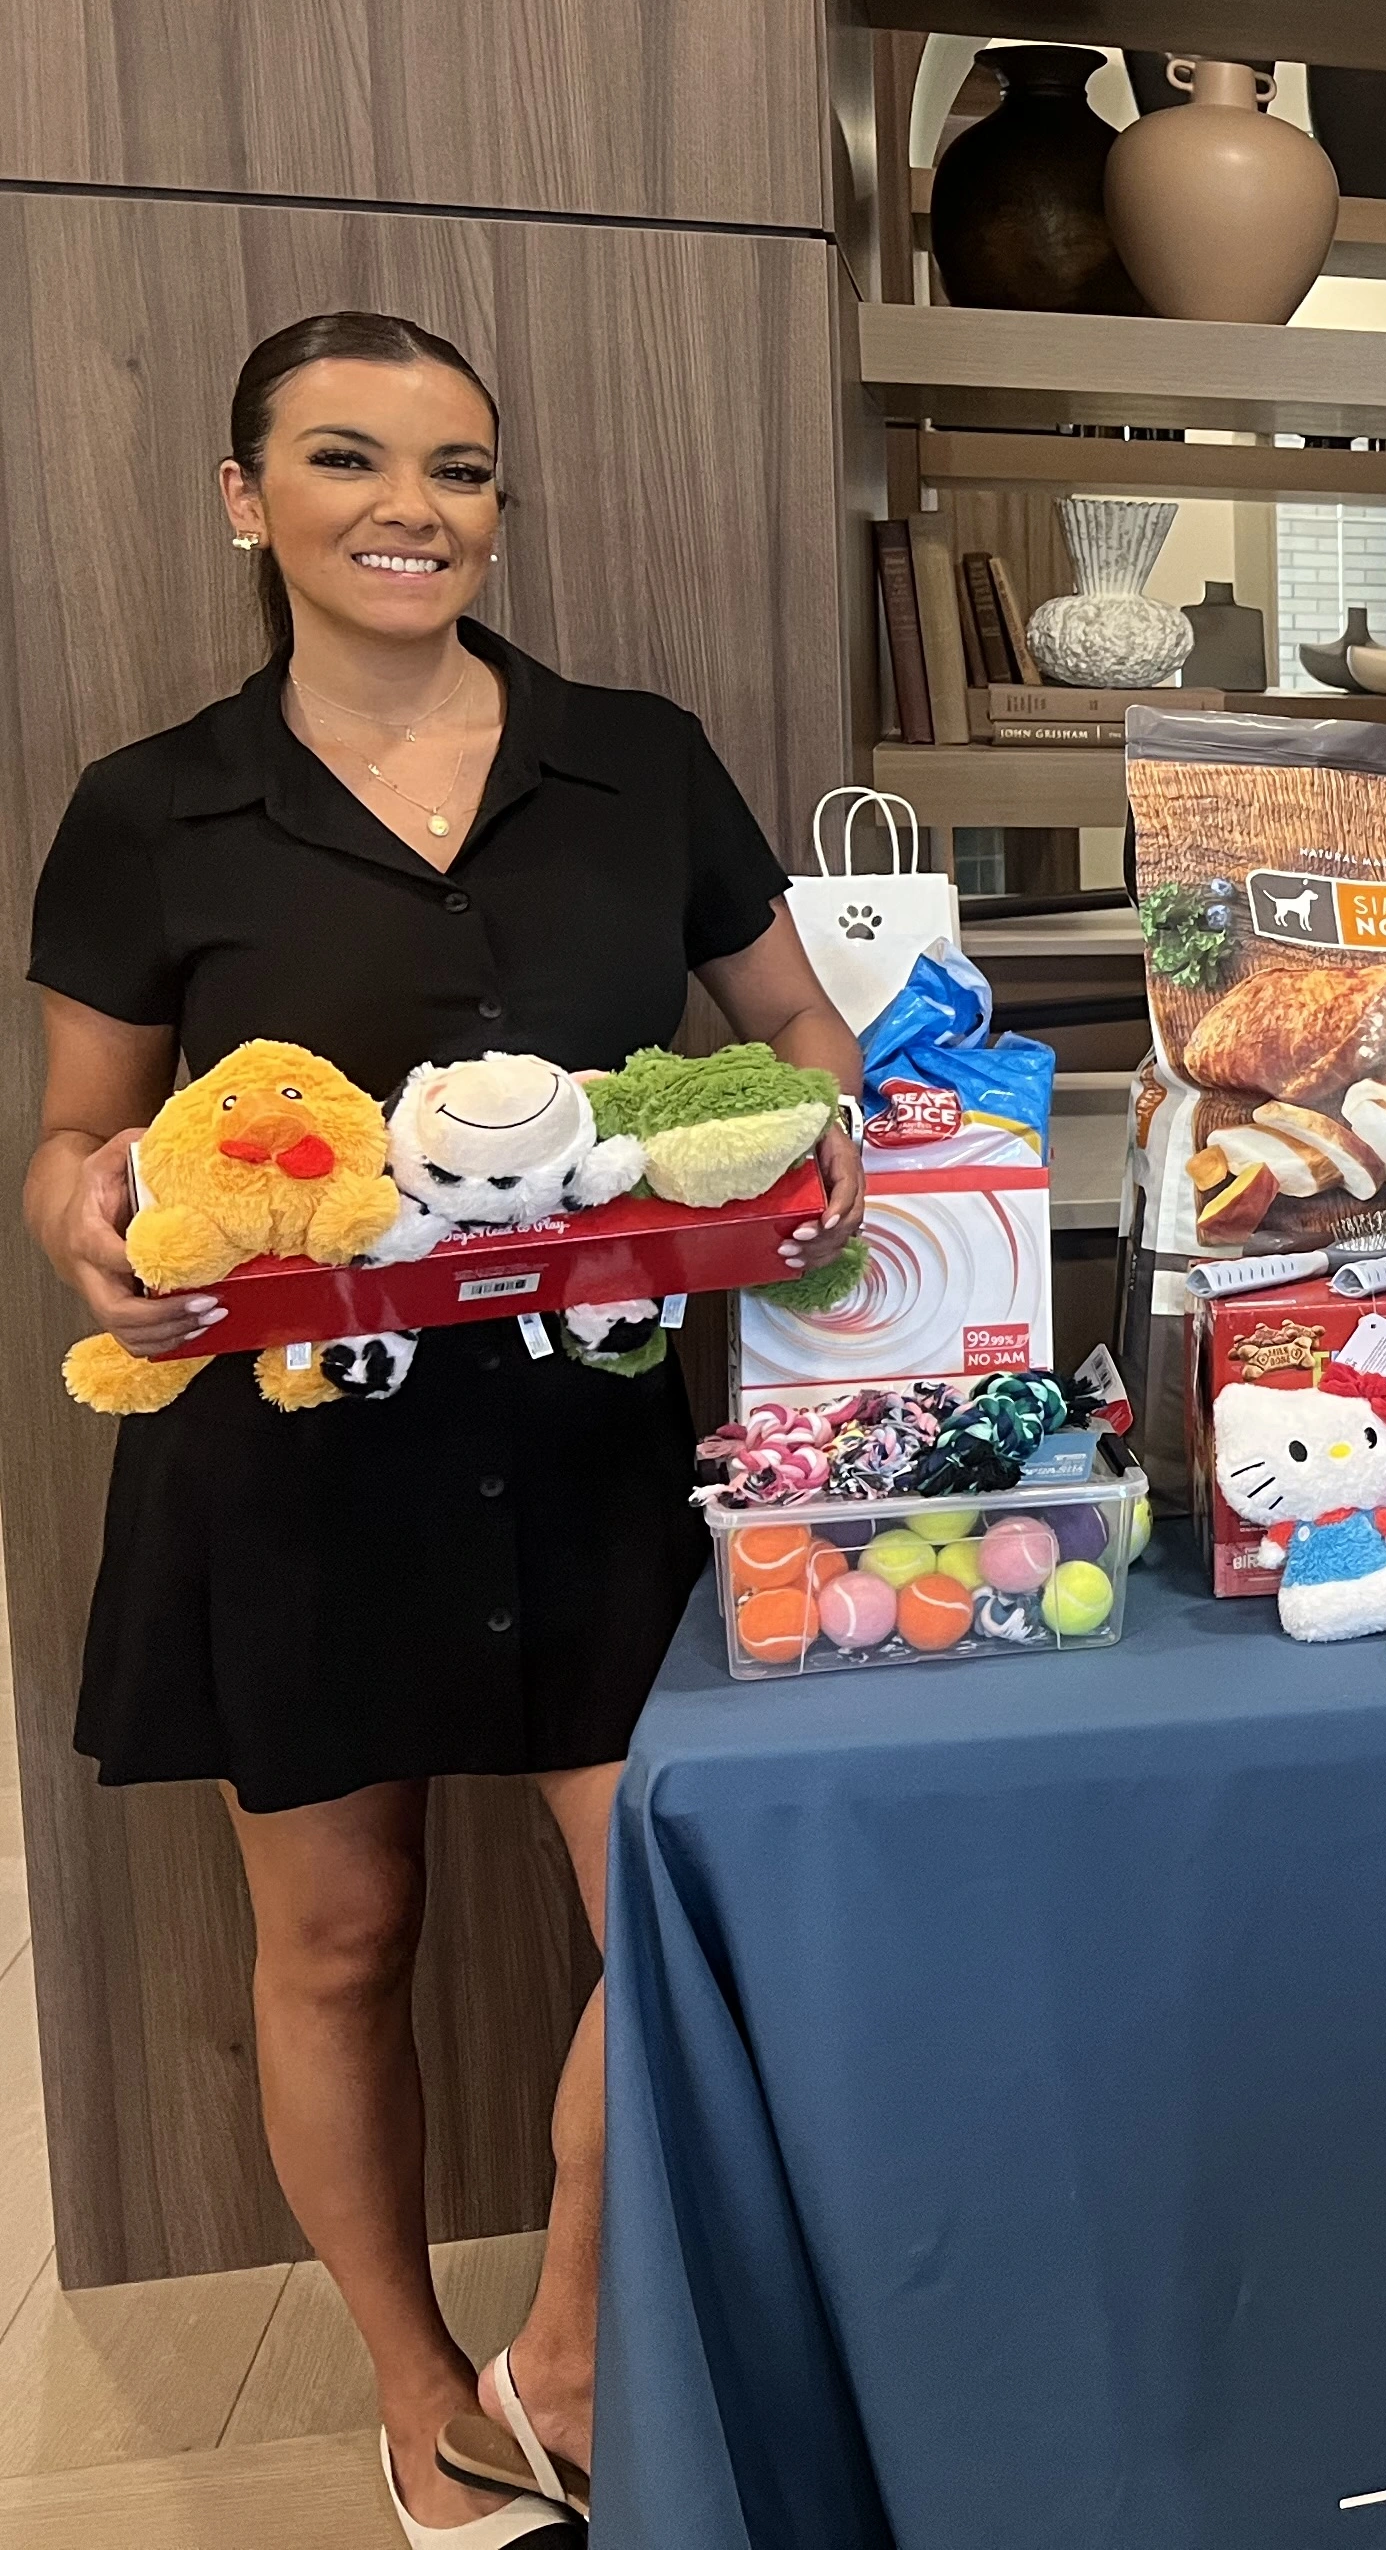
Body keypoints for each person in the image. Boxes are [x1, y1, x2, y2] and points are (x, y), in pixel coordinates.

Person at [21, 312, 867, 2548]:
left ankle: (565, 2345)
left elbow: (796, 1029)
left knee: (688, 1915)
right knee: (338, 1942)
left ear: (499, 503)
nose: (414, 506)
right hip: (290, 1455)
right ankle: (414, 2391)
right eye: (347, 458)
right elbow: (73, 1141)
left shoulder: (634, 760)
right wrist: (86, 1223)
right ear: (247, 500)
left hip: (597, 1446)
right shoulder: (150, 807)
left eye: (460, 468)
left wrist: (825, 1142)